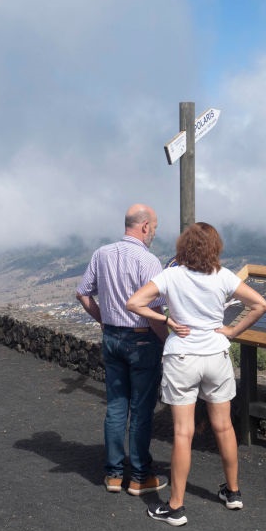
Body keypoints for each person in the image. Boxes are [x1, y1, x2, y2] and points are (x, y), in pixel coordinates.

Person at [126, 222, 266, 527]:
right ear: (214, 247)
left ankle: (176, 507)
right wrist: (231, 331)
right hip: (216, 354)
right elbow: (260, 304)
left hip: (182, 356)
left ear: (184, 247)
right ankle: (232, 493)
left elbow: (134, 303)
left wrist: (165, 319)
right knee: (224, 428)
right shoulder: (224, 276)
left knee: (182, 433)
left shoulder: (172, 276)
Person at [76, 204, 170, 496]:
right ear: (144, 227)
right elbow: (153, 310)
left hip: (112, 339)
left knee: (116, 406)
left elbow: (82, 293)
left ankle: (114, 475)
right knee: (141, 410)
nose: (154, 232)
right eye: (154, 227)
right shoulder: (148, 261)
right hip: (142, 340)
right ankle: (140, 476)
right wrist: (168, 342)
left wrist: (105, 320)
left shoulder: (101, 254)